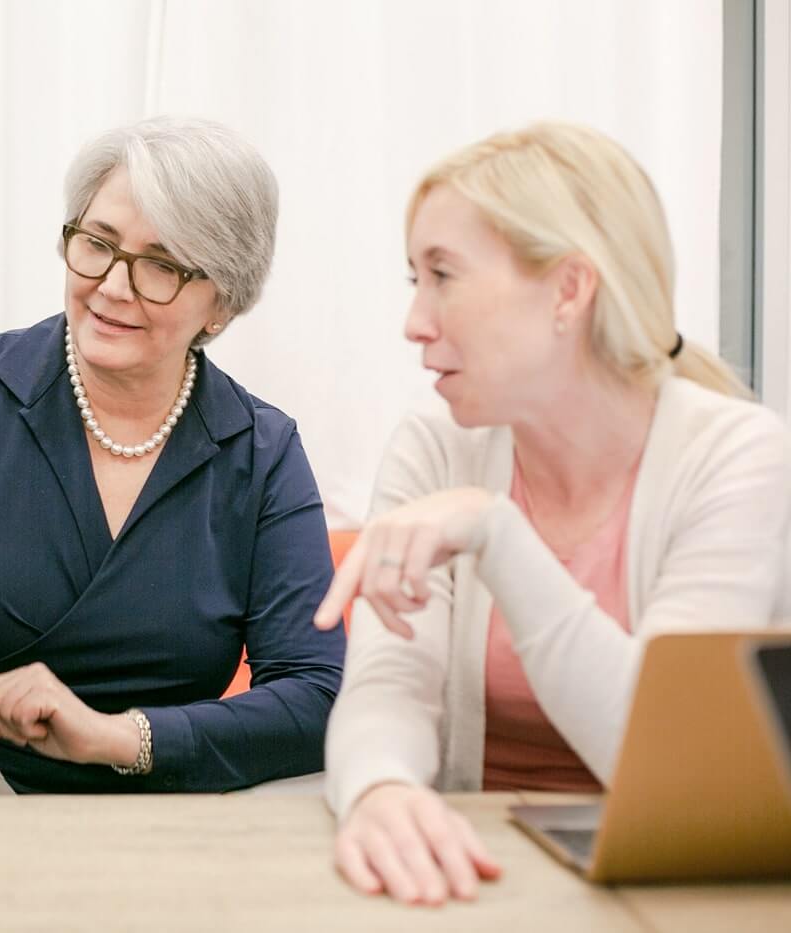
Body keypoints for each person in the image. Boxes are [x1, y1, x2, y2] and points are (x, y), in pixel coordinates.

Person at [314, 122, 791, 904]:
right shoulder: (434, 448)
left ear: (569, 289)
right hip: (475, 873)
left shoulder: (734, 453)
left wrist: (498, 533)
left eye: (444, 274)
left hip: (680, 887)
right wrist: (380, 790)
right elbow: (389, 681)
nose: (415, 321)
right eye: (415, 280)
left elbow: (668, 764)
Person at [0, 117, 344, 793]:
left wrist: (118, 736)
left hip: (157, 814)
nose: (113, 285)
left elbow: (318, 696)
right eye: (97, 244)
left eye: (161, 264)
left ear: (222, 302)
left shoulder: (260, 452)